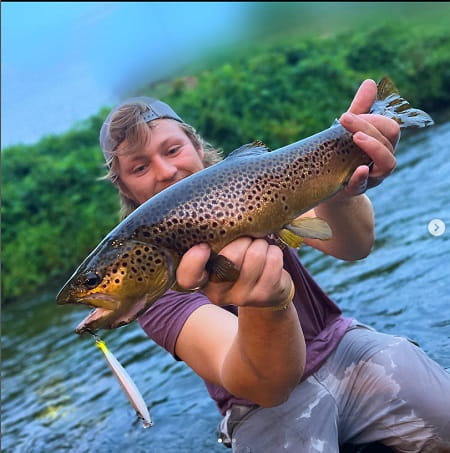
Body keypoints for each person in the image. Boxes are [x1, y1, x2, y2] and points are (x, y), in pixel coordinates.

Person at [99, 80, 450, 452]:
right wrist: (266, 304)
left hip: (343, 347)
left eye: (173, 149)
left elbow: (353, 246)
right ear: (126, 190)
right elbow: (264, 385)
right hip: (260, 407)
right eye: (140, 168)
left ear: (197, 147)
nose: (166, 170)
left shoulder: (252, 191)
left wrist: (345, 182)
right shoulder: (148, 288)